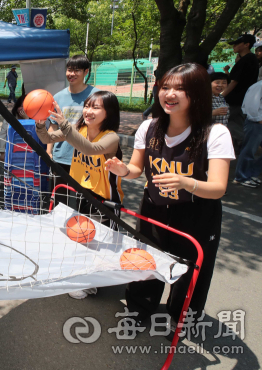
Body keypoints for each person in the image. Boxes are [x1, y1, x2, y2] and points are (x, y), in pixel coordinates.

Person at [104, 63, 234, 329]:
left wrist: (186, 182)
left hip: (197, 214)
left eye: (180, 89)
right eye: (165, 87)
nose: (169, 94)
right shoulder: (149, 127)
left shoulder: (215, 133)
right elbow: (137, 169)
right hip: (154, 207)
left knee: (190, 269)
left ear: (196, 94)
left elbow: (219, 187)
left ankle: (181, 317)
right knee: (146, 260)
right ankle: (139, 309)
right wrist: (122, 169)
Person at [37, 91, 123, 300]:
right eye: (87, 106)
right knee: (84, 237)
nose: (88, 111)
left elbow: (90, 149)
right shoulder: (79, 128)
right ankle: (86, 279)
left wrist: (65, 125)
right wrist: (41, 122)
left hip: (105, 199)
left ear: (108, 112)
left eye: (96, 107)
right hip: (85, 192)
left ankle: (92, 283)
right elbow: (47, 138)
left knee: (100, 243)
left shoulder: (111, 137)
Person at [46, 55, 99, 207]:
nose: (72, 74)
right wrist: (49, 151)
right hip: (61, 157)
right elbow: (53, 126)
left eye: (77, 70)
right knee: (59, 202)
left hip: (87, 159)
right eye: (69, 70)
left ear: (86, 72)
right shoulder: (58, 97)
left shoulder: (96, 96)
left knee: (86, 203)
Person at [221, 34, 259, 148]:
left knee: (226, 121)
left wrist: (221, 96)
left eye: (237, 44)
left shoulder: (246, 60)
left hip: (236, 99)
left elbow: (234, 82)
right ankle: (241, 145)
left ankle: (248, 143)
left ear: (246, 45)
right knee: (236, 122)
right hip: (244, 98)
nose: (234, 46)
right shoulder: (251, 59)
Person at [233, 80, 262, 188]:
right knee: (249, 149)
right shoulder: (260, 85)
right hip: (257, 120)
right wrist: (259, 120)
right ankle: (242, 176)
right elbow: (251, 105)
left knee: (250, 150)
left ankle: (251, 173)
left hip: (260, 120)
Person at [0, 93, 29, 161]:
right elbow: (3, 134)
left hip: (28, 152)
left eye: (26, 107)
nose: (22, 109)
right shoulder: (9, 118)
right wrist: (2, 152)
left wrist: (27, 120)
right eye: (21, 106)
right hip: (12, 150)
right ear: (17, 106)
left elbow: (31, 134)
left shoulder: (35, 120)